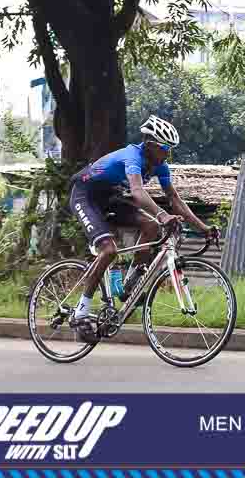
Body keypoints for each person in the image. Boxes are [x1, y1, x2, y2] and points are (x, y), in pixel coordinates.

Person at [68, 115, 219, 342]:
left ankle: (131, 283)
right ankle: (80, 313)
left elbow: (174, 198)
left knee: (151, 226)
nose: (167, 154)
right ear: (150, 144)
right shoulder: (132, 156)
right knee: (109, 251)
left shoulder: (160, 166)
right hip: (85, 195)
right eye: (165, 148)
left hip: (110, 197)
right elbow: (138, 192)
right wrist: (163, 214)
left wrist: (203, 227)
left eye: (170, 149)